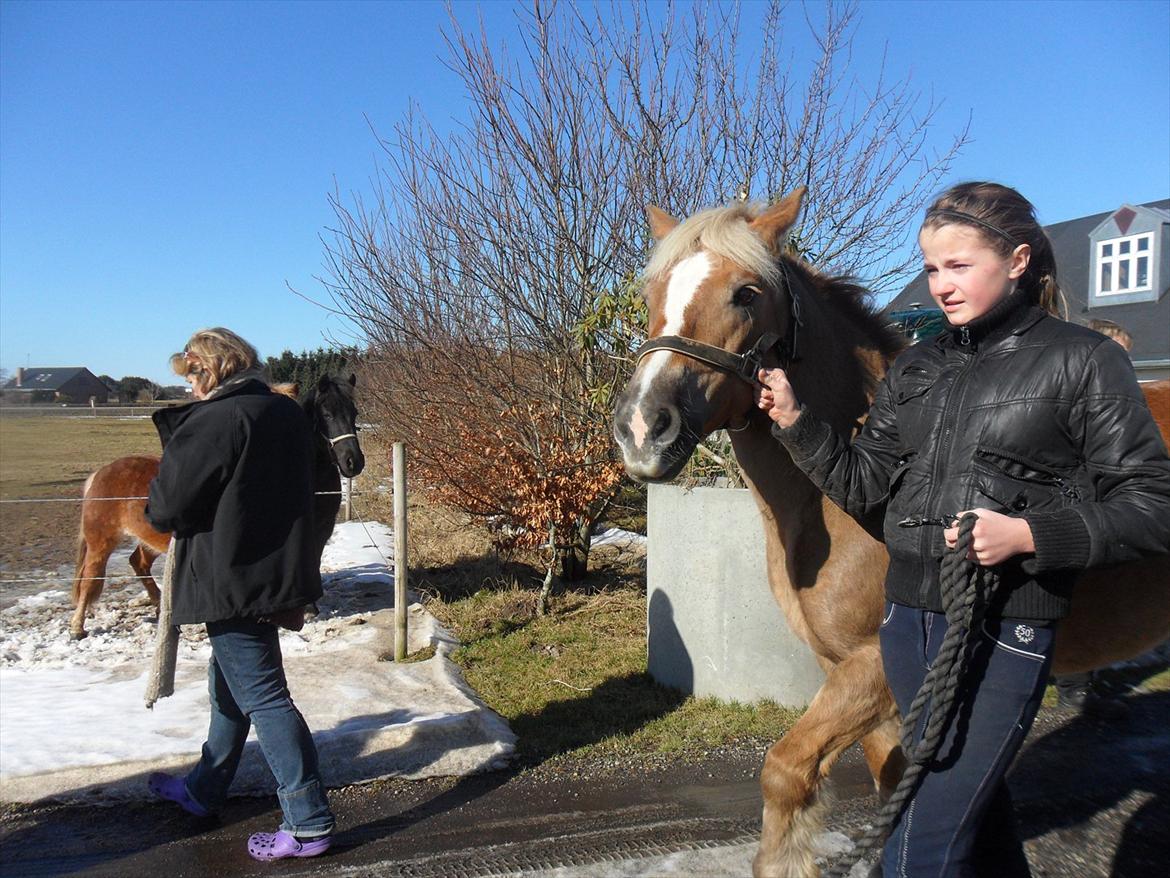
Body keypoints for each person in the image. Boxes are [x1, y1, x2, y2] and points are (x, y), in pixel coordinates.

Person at [755, 182, 1170, 876]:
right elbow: (865, 486)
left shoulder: (1082, 361)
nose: (940, 285)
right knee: (978, 819)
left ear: (1016, 260)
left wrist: (1029, 536)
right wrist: (799, 423)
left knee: (922, 846)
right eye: (931, 268)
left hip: (1004, 626)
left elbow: (1154, 504)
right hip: (909, 628)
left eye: (958, 265)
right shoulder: (920, 367)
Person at [144, 328, 335, 861]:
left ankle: (308, 821)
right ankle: (204, 788)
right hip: (273, 572)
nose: (191, 387)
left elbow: (167, 506)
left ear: (208, 370)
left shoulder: (217, 419)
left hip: (231, 578)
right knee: (229, 686)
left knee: (266, 698)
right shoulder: (283, 413)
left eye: (191, 375)